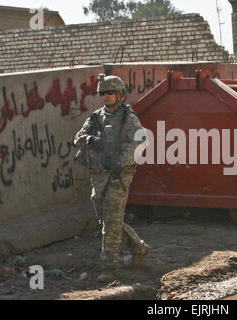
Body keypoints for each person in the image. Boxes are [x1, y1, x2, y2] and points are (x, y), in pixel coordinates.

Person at [74, 74, 150, 282]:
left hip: (119, 174)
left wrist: (120, 161)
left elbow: (141, 141)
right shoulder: (96, 118)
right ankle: (138, 247)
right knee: (106, 219)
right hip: (99, 175)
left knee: (111, 221)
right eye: (102, 93)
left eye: (110, 93)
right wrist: (90, 140)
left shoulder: (128, 118)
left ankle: (109, 267)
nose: (106, 96)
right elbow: (77, 138)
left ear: (120, 95)